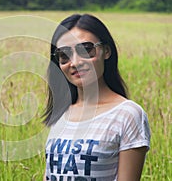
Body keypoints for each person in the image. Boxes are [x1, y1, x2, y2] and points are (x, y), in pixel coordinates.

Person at [43, 14, 151, 181]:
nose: (75, 62)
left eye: (86, 49)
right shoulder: (61, 114)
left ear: (106, 51)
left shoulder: (127, 115)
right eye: (64, 55)